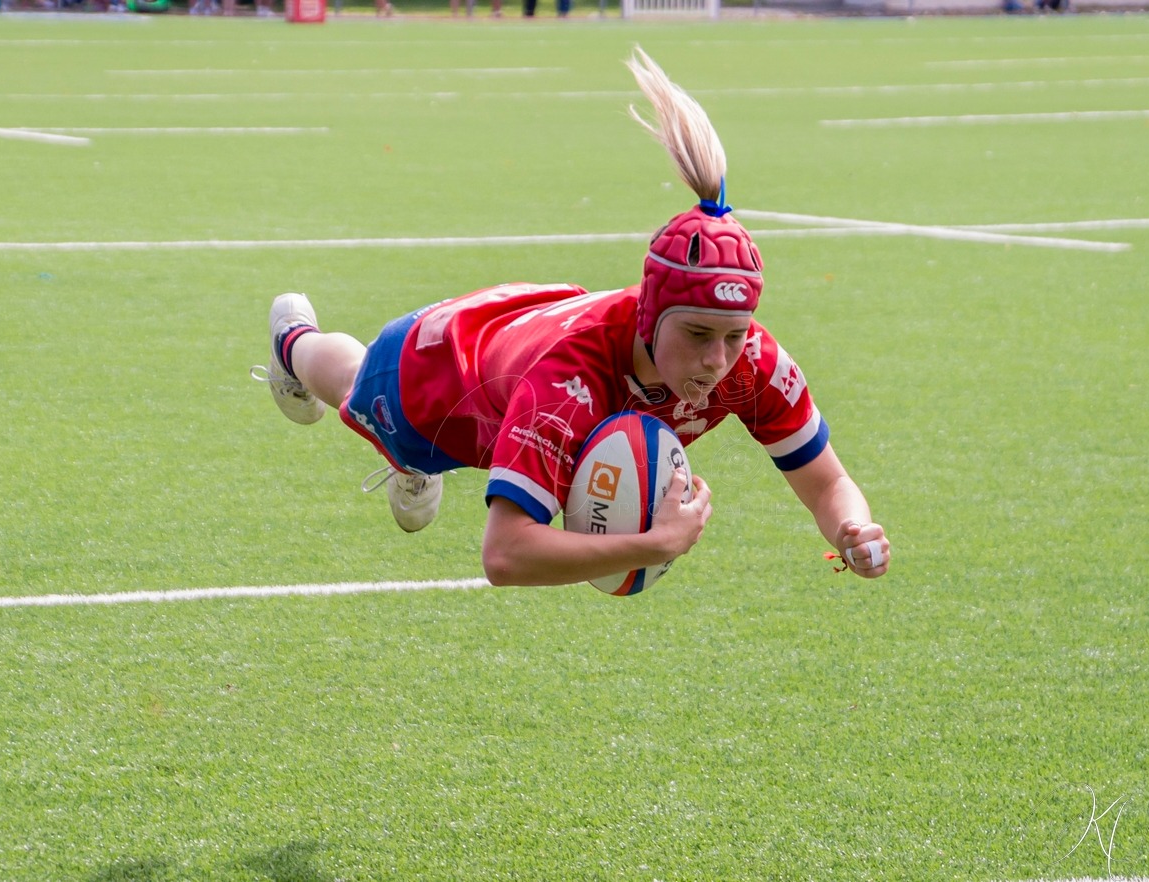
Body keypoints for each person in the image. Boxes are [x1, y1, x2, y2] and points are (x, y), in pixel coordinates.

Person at [252, 47, 891, 588]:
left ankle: (407, 457)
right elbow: (504, 555)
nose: (716, 359)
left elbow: (826, 479)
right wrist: (654, 544)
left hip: (526, 346)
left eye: (733, 335)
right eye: (697, 335)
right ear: (649, 315)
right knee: (353, 382)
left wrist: (851, 526)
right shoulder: (568, 383)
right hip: (445, 369)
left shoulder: (750, 362)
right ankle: (295, 343)